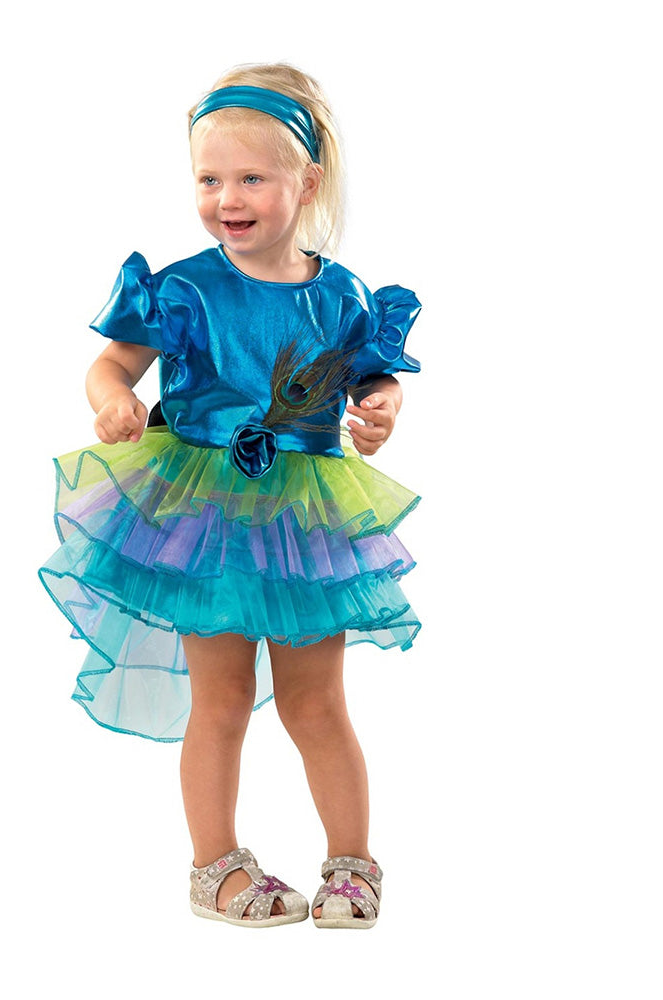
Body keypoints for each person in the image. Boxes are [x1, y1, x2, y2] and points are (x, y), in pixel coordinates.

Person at [38, 63, 423, 929]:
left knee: (317, 701)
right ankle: (215, 867)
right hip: (203, 513)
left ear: (307, 183)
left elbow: (374, 376)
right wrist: (114, 399)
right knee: (219, 699)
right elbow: (112, 363)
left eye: (251, 178)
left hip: (302, 518)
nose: (227, 199)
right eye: (209, 180)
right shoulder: (184, 287)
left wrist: (381, 408)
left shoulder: (341, 294)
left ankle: (352, 864)